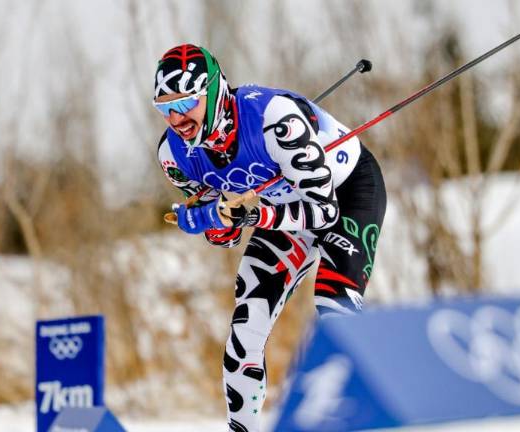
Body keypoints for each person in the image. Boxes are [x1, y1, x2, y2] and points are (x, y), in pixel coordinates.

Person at [153, 44, 386, 432]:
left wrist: (252, 216)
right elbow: (226, 235)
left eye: (186, 103)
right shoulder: (174, 155)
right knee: (244, 331)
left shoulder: (276, 119)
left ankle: (368, 417)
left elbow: (324, 213)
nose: (176, 118)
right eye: (165, 108)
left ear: (213, 92)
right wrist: (212, 222)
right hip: (284, 208)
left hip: (345, 193)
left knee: (335, 310)